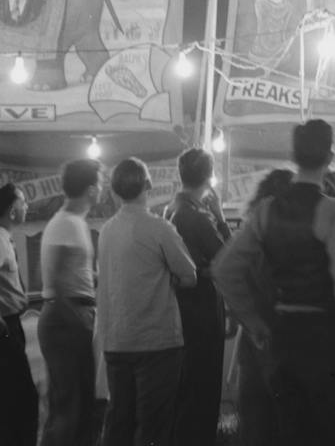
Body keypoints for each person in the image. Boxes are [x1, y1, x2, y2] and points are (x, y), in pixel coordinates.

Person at [213, 119, 335, 446]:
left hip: (282, 340)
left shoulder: (267, 210)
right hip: (327, 343)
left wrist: (256, 322)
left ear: (294, 155)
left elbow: (224, 269)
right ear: (330, 156)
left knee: (289, 433)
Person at [97, 158, 197, 446]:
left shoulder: (106, 231)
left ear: (114, 191)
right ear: (149, 186)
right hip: (157, 342)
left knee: (119, 422)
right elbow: (189, 275)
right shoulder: (159, 228)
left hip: (116, 340)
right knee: (153, 426)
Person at [164, 148, 233, 446]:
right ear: (208, 175)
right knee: (203, 384)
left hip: (181, 305)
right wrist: (220, 216)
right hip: (202, 307)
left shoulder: (172, 209)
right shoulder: (197, 216)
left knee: (188, 383)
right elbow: (229, 258)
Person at [37, 159, 101, 446]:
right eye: (100, 183)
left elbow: (74, 275)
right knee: (69, 405)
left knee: (78, 402)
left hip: (73, 316)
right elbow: (55, 280)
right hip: (66, 319)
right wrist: (77, 320)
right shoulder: (65, 224)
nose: (102, 190)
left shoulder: (73, 223)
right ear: (91, 189)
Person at [232, 168, 294, 446]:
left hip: (254, 340)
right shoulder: (297, 238)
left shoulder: (249, 232)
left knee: (256, 426)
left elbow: (231, 278)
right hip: (288, 338)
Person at [0, 182, 38, 446]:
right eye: (23, 202)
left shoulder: (5, 237)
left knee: (15, 397)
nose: (27, 206)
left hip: (12, 325)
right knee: (21, 398)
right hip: (5, 328)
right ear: (13, 210)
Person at [249, 0, 297, 70]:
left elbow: (284, 33)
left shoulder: (288, 7)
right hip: (259, 53)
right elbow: (261, 29)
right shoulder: (261, 2)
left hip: (281, 56)